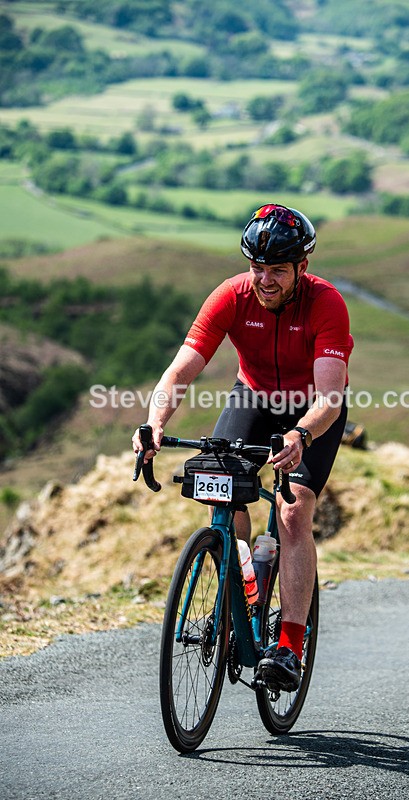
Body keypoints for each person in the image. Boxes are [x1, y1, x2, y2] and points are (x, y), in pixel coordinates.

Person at [132, 203, 353, 690]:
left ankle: (290, 645)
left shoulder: (326, 304)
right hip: (252, 395)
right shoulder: (231, 296)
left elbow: (330, 398)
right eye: (257, 267)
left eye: (277, 269)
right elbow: (180, 372)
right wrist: (153, 424)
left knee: (293, 513)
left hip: (312, 411)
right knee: (219, 487)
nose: (265, 279)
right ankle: (247, 585)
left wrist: (301, 434)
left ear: (302, 268)